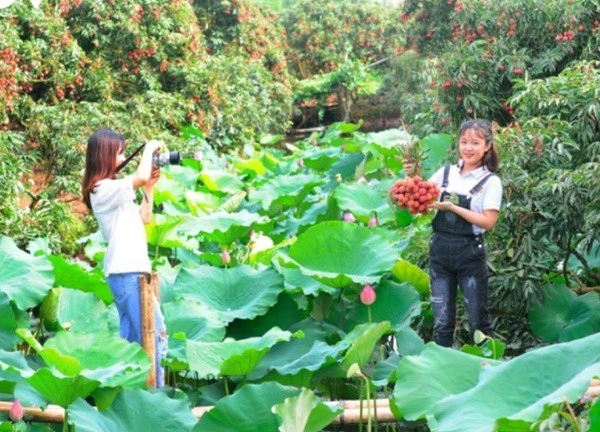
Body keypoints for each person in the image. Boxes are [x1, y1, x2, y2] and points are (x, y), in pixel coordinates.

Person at [404, 119, 502, 347]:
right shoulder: (445, 173)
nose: (468, 148)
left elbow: (489, 222)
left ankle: (492, 371)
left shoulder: (490, 181)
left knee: (479, 322)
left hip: (470, 255)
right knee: (442, 323)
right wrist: (410, 178)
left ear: (487, 146)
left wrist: (453, 207)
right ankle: (441, 376)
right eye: (464, 142)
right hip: (439, 253)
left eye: (475, 143)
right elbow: (419, 200)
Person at [81, 128, 168, 386]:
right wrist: (150, 147)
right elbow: (139, 175)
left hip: (133, 272)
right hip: (126, 273)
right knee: (155, 337)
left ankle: (131, 399)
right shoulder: (101, 189)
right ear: (105, 154)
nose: (121, 157)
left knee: (133, 344)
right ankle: (156, 397)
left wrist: (149, 188)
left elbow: (145, 217)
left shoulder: (116, 189)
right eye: (119, 152)